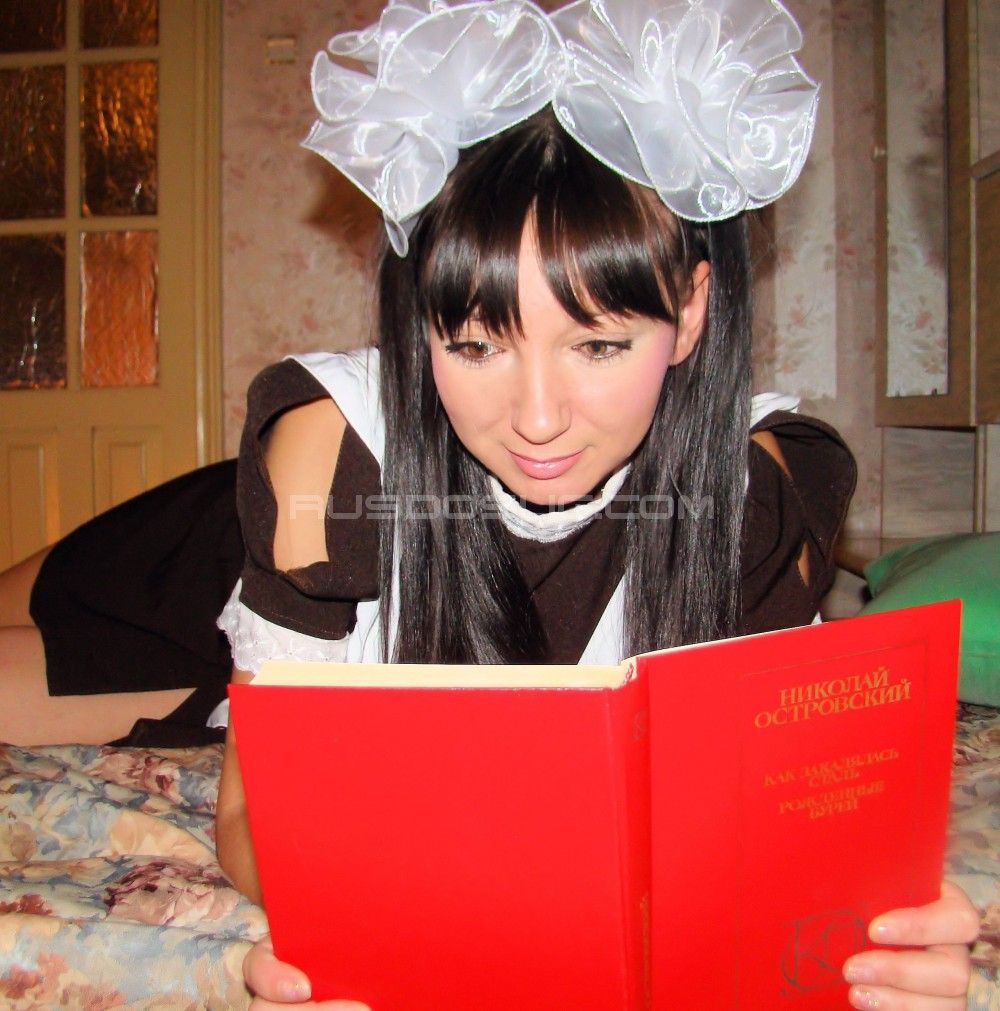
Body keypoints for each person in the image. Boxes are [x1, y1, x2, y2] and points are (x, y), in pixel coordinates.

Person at [0, 1, 980, 1008]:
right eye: (474, 345)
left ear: (690, 310)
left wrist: (861, 943)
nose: (537, 420)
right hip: (252, 538)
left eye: (598, 344)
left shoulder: (762, 497)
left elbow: (760, 852)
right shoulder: (328, 448)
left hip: (283, 647)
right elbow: (254, 817)